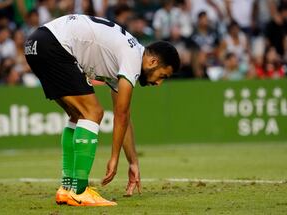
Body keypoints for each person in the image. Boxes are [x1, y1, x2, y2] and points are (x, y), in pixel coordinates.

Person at [24, 14, 180, 207]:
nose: (158, 83)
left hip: (36, 43)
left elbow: (123, 114)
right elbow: (121, 116)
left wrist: (132, 162)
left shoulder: (125, 57)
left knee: (77, 115)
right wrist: (114, 158)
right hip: (54, 44)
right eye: (162, 75)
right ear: (153, 62)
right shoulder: (132, 58)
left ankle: (67, 188)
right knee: (94, 113)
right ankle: (79, 191)